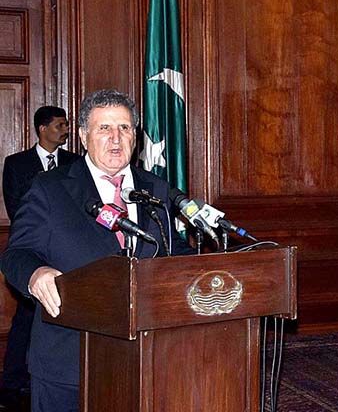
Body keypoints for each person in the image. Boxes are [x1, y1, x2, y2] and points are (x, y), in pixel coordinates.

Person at [0, 89, 193, 412]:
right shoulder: (51, 187)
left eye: (125, 128)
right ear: (83, 136)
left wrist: (211, 272)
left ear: (136, 137)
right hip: (68, 358)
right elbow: (16, 253)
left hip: (145, 356)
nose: (115, 138)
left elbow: (175, 250)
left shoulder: (156, 188)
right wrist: (36, 273)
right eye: (104, 128)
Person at [0, 106, 80, 407]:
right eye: (60, 125)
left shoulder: (74, 162)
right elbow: (16, 207)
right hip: (33, 255)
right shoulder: (17, 163)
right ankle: (12, 384)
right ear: (42, 128)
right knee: (25, 321)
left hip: (71, 256)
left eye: (67, 125)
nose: (66, 131)